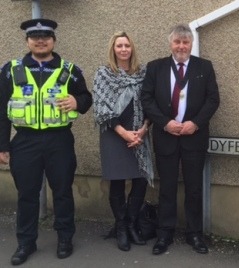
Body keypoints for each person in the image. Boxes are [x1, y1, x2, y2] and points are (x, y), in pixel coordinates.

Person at [0, 18, 92, 265]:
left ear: (53, 40)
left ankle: (64, 238)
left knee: (62, 191)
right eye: (35, 37)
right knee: (27, 194)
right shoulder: (10, 70)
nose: (40, 40)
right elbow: (1, 110)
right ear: (27, 40)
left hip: (59, 140)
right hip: (25, 140)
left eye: (45, 36)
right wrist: (2, 145)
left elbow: (86, 98)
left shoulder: (70, 70)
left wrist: (77, 102)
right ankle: (25, 243)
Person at [141, 23, 220, 255]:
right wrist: (165, 122)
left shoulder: (204, 67)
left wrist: (195, 123)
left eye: (186, 42)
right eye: (177, 42)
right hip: (166, 136)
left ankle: (194, 233)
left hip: (193, 137)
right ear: (171, 44)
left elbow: (213, 100)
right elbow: (146, 99)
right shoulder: (155, 67)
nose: (181, 46)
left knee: (194, 188)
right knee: (166, 187)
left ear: (191, 44)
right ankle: (164, 233)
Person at [93, 31, 154, 252]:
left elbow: (150, 102)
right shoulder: (103, 73)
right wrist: (123, 132)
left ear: (132, 48)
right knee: (117, 181)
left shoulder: (143, 73)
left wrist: (144, 129)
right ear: (113, 49)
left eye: (127, 45)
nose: (123, 49)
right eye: (119, 46)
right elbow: (101, 107)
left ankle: (131, 223)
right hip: (113, 133)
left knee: (140, 180)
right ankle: (120, 227)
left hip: (140, 133)